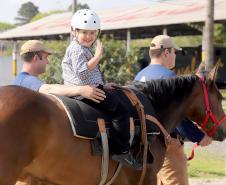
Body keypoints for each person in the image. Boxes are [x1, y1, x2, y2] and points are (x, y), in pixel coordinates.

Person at [61, 9, 142, 170]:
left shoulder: (82, 48)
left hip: (90, 87)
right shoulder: (77, 49)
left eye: (92, 32)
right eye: (84, 32)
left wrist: (103, 85)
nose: (89, 36)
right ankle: (122, 150)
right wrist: (98, 56)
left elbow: (89, 74)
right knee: (121, 112)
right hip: (84, 91)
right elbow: (83, 72)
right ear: (74, 31)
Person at [135, 35, 212, 185]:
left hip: (145, 147)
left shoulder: (139, 76)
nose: (175, 56)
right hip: (167, 146)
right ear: (166, 53)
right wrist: (198, 136)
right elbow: (177, 118)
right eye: (174, 52)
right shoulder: (169, 77)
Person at [12, 40, 106, 103]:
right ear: (36, 58)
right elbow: (48, 89)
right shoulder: (26, 80)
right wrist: (81, 90)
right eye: (45, 58)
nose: (47, 62)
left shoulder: (20, 80)